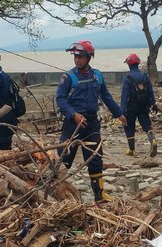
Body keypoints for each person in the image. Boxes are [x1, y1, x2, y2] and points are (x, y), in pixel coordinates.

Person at [56, 40, 127, 203]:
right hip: (72, 124)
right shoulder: (68, 77)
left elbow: (106, 96)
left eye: (80, 56)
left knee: (95, 159)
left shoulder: (97, 75)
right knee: (64, 159)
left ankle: (99, 195)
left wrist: (119, 114)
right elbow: (60, 99)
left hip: (91, 124)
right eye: (75, 56)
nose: (77, 60)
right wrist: (73, 115)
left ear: (88, 58)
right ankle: (54, 191)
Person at [120, 53, 158, 157]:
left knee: (129, 127)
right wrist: (154, 103)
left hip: (130, 106)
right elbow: (150, 90)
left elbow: (124, 95)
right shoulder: (144, 75)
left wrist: (121, 111)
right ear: (138, 63)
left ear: (129, 64)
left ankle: (132, 150)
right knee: (146, 125)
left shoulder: (128, 77)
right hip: (143, 105)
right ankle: (153, 141)